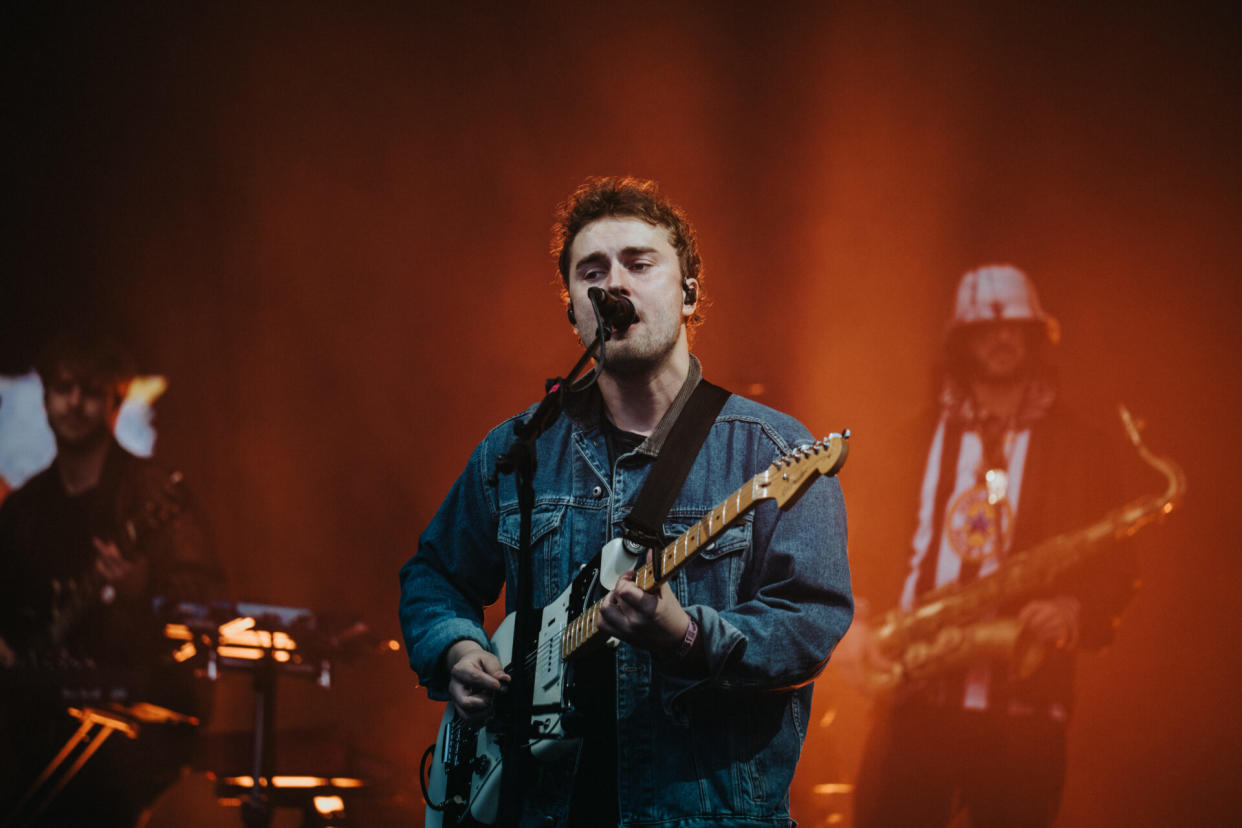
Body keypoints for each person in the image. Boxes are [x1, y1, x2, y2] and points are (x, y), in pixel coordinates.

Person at [399, 176, 853, 827]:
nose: (615, 284)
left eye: (640, 264)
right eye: (593, 271)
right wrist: (457, 651)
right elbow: (432, 575)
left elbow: (810, 624)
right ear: (575, 312)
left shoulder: (775, 452)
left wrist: (688, 636)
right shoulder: (519, 449)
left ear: (690, 291)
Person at [845, 265, 1138, 828]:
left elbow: (1117, 570)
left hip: (1025, 716)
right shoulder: (913, 438)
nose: (1002, 339)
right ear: (961, 342)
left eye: (1016, 328)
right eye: (985, 329)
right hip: (914, 704)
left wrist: (1073, 611)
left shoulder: (1083, 448)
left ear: (1036, 339)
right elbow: (863, 546)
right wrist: (855, 624)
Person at [0, 333, 225, 826]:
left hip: (138, 737)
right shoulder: (23, 511)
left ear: (115, 401)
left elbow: (207, 602)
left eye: (91, 389)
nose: (75, 402)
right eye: (64, 388)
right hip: (37, 735)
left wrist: (143, 589)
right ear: (46, 398)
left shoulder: (150, 492)